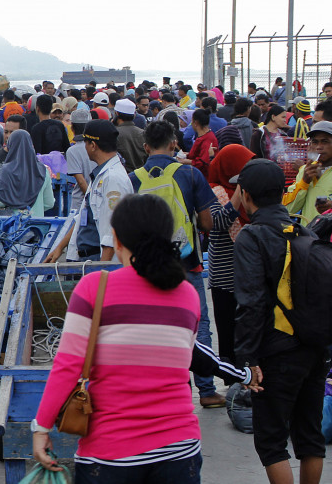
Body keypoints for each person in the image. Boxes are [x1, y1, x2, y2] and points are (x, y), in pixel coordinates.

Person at [32, 195, 203, 482]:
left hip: (111, 454)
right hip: (181, 450)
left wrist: (41, 427)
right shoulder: (188, 295)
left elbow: (67, 366)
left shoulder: (94, 288)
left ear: (117, 240)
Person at [233, 158, 327, 484]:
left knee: (272, 440)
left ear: (245, 194)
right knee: (309, 435)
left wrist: (247, 357)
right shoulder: (301, 228)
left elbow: (251, 303)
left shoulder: (252, 236)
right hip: (315, 346)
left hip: (278, 350)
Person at [130, 120, 220, 407]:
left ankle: (174, 388)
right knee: (198, 323)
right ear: (173, 144)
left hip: (147, 266)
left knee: (156, 325)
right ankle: (206, 390)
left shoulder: (133, 178)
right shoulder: (189, 174)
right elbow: (207, 222)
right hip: (187, 262)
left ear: (145, 147)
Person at [47, 119, 133, 263]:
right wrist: (60, 247)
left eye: (85, 143)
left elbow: (112, 234)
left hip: (98, 260)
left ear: (93, 145)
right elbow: (83, 216)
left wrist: (101, 275)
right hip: (87, 258)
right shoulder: (101, 174)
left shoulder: (112, 179)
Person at [206, 144, 255, 361]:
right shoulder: (212, 191)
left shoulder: (252, 194)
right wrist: (239, 190)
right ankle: (232, 377)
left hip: (249, 276)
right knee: (227, 332)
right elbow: (220, 221)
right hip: (225, 277)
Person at [0, 130, 54, 216]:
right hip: (36, 226)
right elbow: (49, 203)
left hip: (12, 226)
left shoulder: (5, 170)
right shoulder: (43, 170)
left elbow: (0, 201)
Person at [286, 120, 332, 225]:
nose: (319, 147)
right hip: (309, 237)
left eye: (325, 141)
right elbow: (289, 209)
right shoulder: (305, 171)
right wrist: (304, 182)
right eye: (315, 142)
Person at [65, 108, 94, 214]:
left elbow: (81, 182)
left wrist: (91, 199)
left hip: (81, 202)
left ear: (72, 128)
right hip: (97, 199)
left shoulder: (72, 151)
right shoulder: (96, 146)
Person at [181, 108, 218, 179]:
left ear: (195, 123)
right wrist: (187, 155)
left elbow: (203, 163)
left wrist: (185, 161)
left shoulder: (207, 139)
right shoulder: (203, 136)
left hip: (204, 177)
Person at [114, 98, 147, 172]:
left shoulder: (115, 133)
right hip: (141, 175)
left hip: (123, 175)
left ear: (117, 113)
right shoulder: (143, 133)